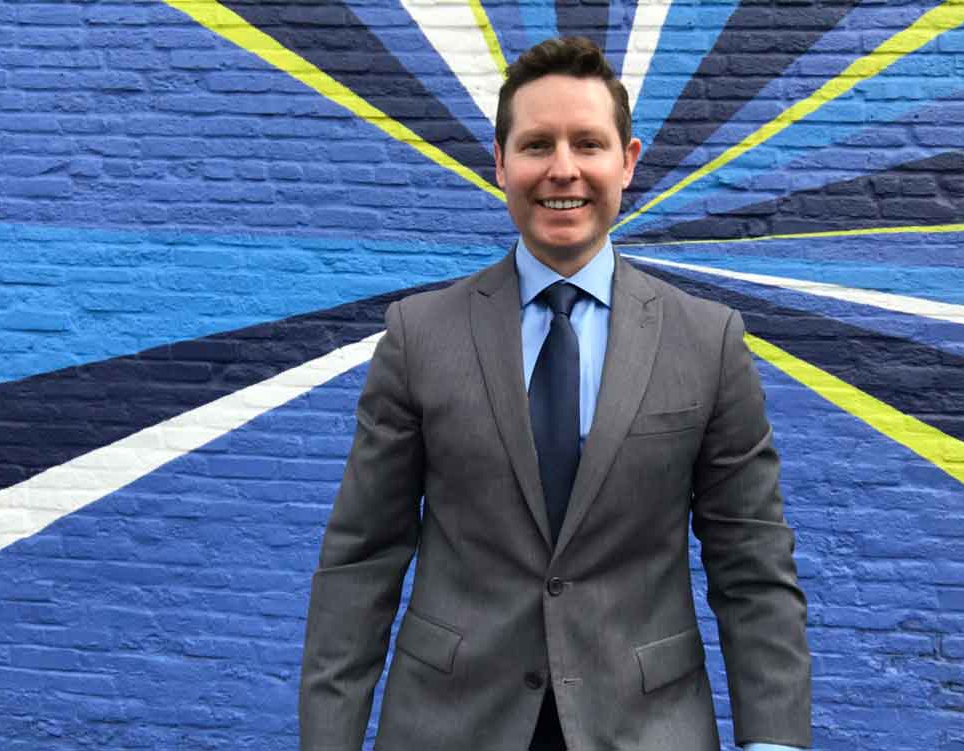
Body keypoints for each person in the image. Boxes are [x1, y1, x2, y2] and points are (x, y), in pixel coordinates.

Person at [299, 37, 811, 751]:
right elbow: (361, 561)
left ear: (626, 161)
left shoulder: (708, 341)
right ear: (501, 161)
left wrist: (775, 741)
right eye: (537, 144)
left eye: (588, 143)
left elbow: (752, 564)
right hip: (449, 725)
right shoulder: (418, 336)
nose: (562, 169)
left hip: (646, 728)